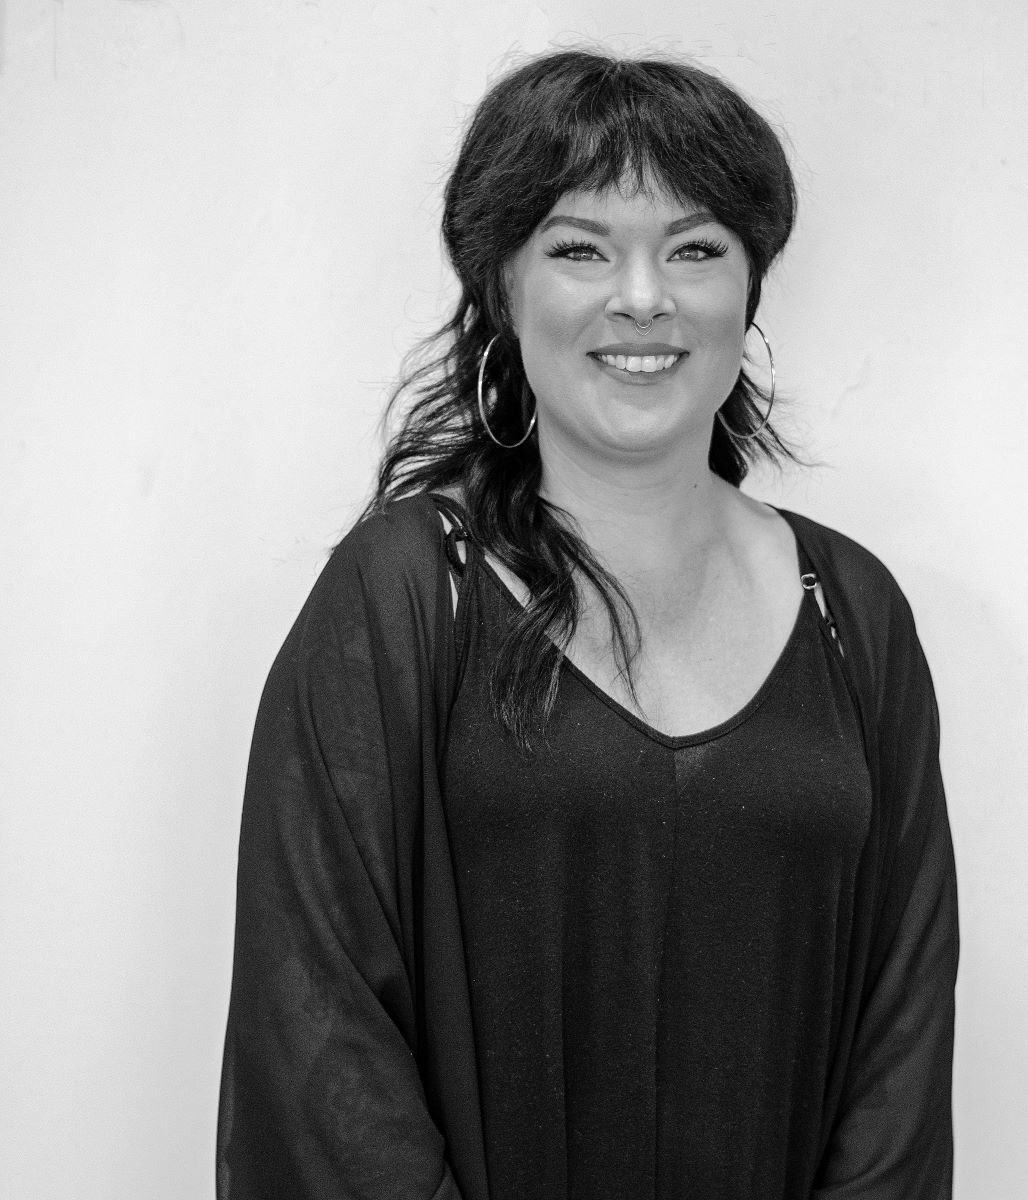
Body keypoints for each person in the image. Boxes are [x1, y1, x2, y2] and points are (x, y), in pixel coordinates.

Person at [217, 49, 958, 1200]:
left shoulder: (852, 609)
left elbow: (901, 1039)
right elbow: (315, 1024)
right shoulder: (407, 591)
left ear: (750, 290)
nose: (644, 297)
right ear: (502, 287)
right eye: (580, 247)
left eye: (696, 248)